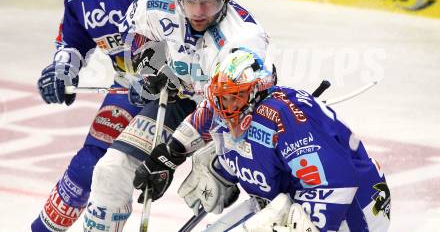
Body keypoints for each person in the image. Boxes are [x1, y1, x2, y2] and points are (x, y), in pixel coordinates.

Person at [82, 0, 271, 231]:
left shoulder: (243, 38)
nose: (197, 12)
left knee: (254, 195)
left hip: (236, 119)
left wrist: (171, 155)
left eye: (208, 3)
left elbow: (226, 106)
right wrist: (150, 64)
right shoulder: (159, 2)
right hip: (182, 101)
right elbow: (132, 29)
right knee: (110, 171)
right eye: (190, 3)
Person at [32, 0, 181, 232]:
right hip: (130, 86)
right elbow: (72, 41)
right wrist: (63, 70)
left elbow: (195, 31)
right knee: (88, 166)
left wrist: (167, 70)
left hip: (180, 92)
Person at [135, 49, 391, 231]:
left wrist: (310, 225)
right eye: (222, 97)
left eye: (235, 97)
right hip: (286, 202)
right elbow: (202, 120)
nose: (226, 106)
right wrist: (169, 156)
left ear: (258, 92)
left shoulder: (283, 117)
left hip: (352, 208)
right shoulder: (223, 109)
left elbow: (337, 182)